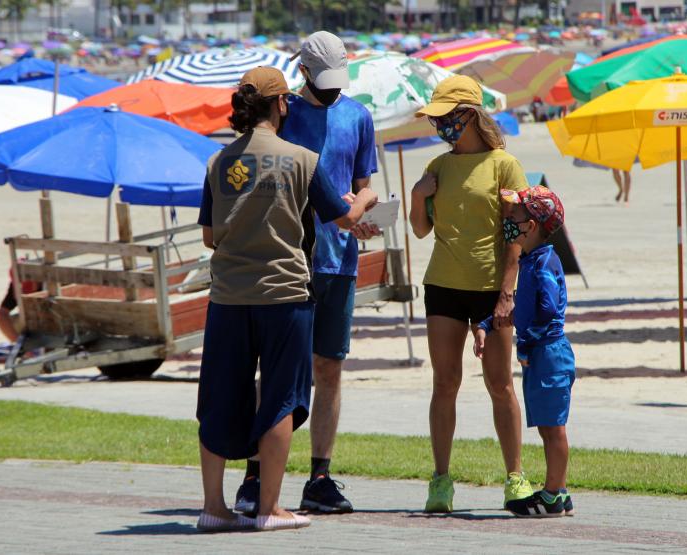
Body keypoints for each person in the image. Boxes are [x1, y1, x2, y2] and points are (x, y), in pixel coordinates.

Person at [195, 66, 377, 532]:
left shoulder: (218, 162)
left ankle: (214, 507)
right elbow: (340, 218)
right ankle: (269, 508)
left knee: (220, 397)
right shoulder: (301, 159)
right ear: (281, 105)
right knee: (280, 398)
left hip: (229, 296)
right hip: (284, 293)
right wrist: (366, 201)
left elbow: (210, 238)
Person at [235, 30, 380, 516]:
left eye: (338, 79)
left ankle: (319, 476)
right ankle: (256, 474)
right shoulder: (284, 115)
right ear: (302, 74)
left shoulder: (358, 117)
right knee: (274, 372)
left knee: (329, 368)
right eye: (323, 81)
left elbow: (363, 185)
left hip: (340, 259)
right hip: (288, 259)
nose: (333, 89)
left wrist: (367, 211)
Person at [409, 74, 534, 513]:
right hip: (442, 284)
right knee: (445, 383)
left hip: (489, 288)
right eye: (435, 118)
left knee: (500, 384)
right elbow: (421, 230)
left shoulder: (504, 164)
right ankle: (440, 481)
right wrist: (415, 196)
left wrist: (507, 293)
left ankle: (515, 477)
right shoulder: (437, 167)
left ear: (469, 115)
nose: (438, 125)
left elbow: (517, 234)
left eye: (445, 116)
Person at [474, 185, 575, 518]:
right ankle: (557, 491)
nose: (509, 219)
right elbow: (525, 308)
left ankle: (553, 494)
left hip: (549, 353)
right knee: (547, 426)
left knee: (554, 427)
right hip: (541, 351)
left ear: (531, 227)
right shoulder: (533, 259)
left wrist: (528, 341)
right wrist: (488, 324)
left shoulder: (544, 263)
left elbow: (546, 307)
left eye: (514, 215)